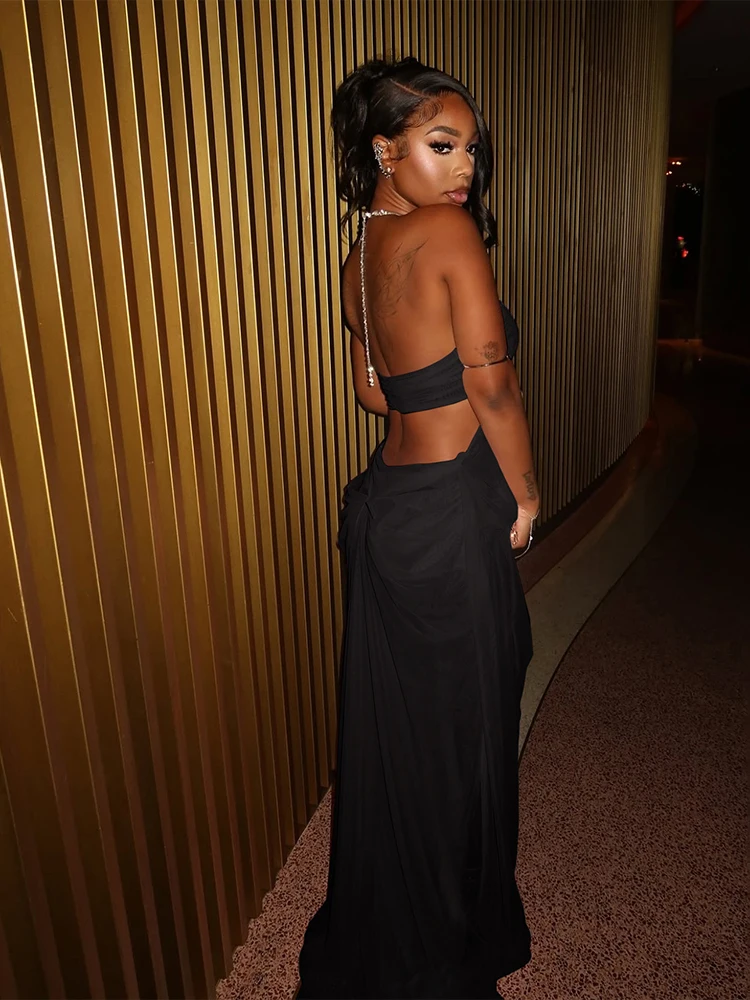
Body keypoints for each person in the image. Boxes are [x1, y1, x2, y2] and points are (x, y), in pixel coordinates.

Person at [297, 57, 540, 1000]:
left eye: (471, 149)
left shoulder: (357, 258)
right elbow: (491, 381)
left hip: (387, 508)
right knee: (467, 727)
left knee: (402, 731)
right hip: (450, 510)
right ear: (384, 150)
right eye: (443, 145)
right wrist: (524, 495)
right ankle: (447, 937)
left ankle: (390, 910)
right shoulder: (446, 232)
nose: (464, 167)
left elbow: (373, 393)